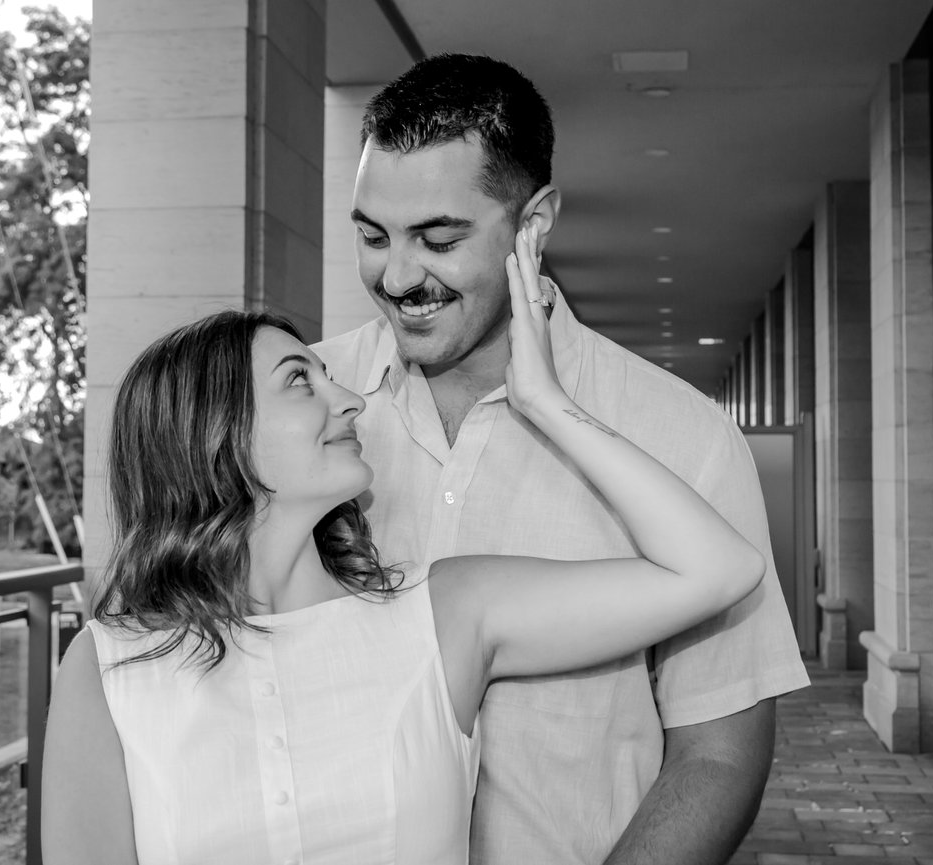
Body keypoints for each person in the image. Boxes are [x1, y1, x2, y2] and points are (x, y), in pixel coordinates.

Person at [40, 228, 766, 865]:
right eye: (301, 382)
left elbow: (719, 568)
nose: (351, 399)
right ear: (213, 435)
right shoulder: (108, 669)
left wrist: (549, 404)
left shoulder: (444, 614)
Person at [316, 53, 810, 865]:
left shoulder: (684, 437)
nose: (398, 275)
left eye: (438, 239)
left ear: (534, 225)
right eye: (372, 236)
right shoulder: (300, 411)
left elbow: (717, 754)